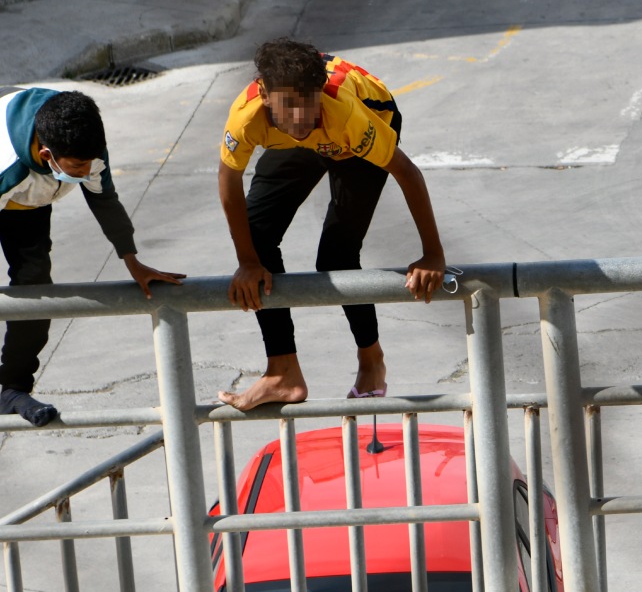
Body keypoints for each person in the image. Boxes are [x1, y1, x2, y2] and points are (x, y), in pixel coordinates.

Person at [216, 38, 447, 411]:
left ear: (319, 93)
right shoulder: (247, 116)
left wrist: (433, 254)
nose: (300, 118)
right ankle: (282, 372)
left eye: (308, 105)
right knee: (255, 238)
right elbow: (228, 182)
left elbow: (407, 172)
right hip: (306, 144)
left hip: (365, 127)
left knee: (336, 255)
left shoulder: (343, 113)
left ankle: (371, 359)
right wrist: (247, 261)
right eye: (288, 105)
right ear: (264, 93)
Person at [0, 89, 184, 425]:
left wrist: (133, 262)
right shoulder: (7, 167)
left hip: (28, 202)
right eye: (77, 167)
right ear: (46, 154)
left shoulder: (85, 141)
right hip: (11, 187)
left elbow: (105, 200)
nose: (86, 174)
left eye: (89, 164)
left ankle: (12, 389)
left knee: (35, 286)